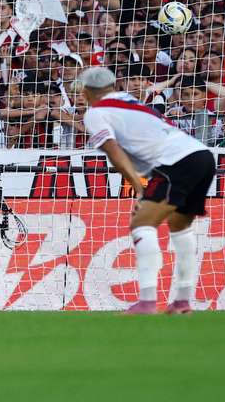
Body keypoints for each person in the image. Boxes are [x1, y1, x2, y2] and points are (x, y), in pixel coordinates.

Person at [76, 66, 217, 314]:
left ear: (86, 92)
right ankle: (182, 302)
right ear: (112, 86)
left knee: (141, 224)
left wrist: (139, 189)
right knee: (179, 227)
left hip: (174, 162)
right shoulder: (127, 99)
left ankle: (147, 302)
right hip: (201, 155)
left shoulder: (95, 113)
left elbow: (113, 151)